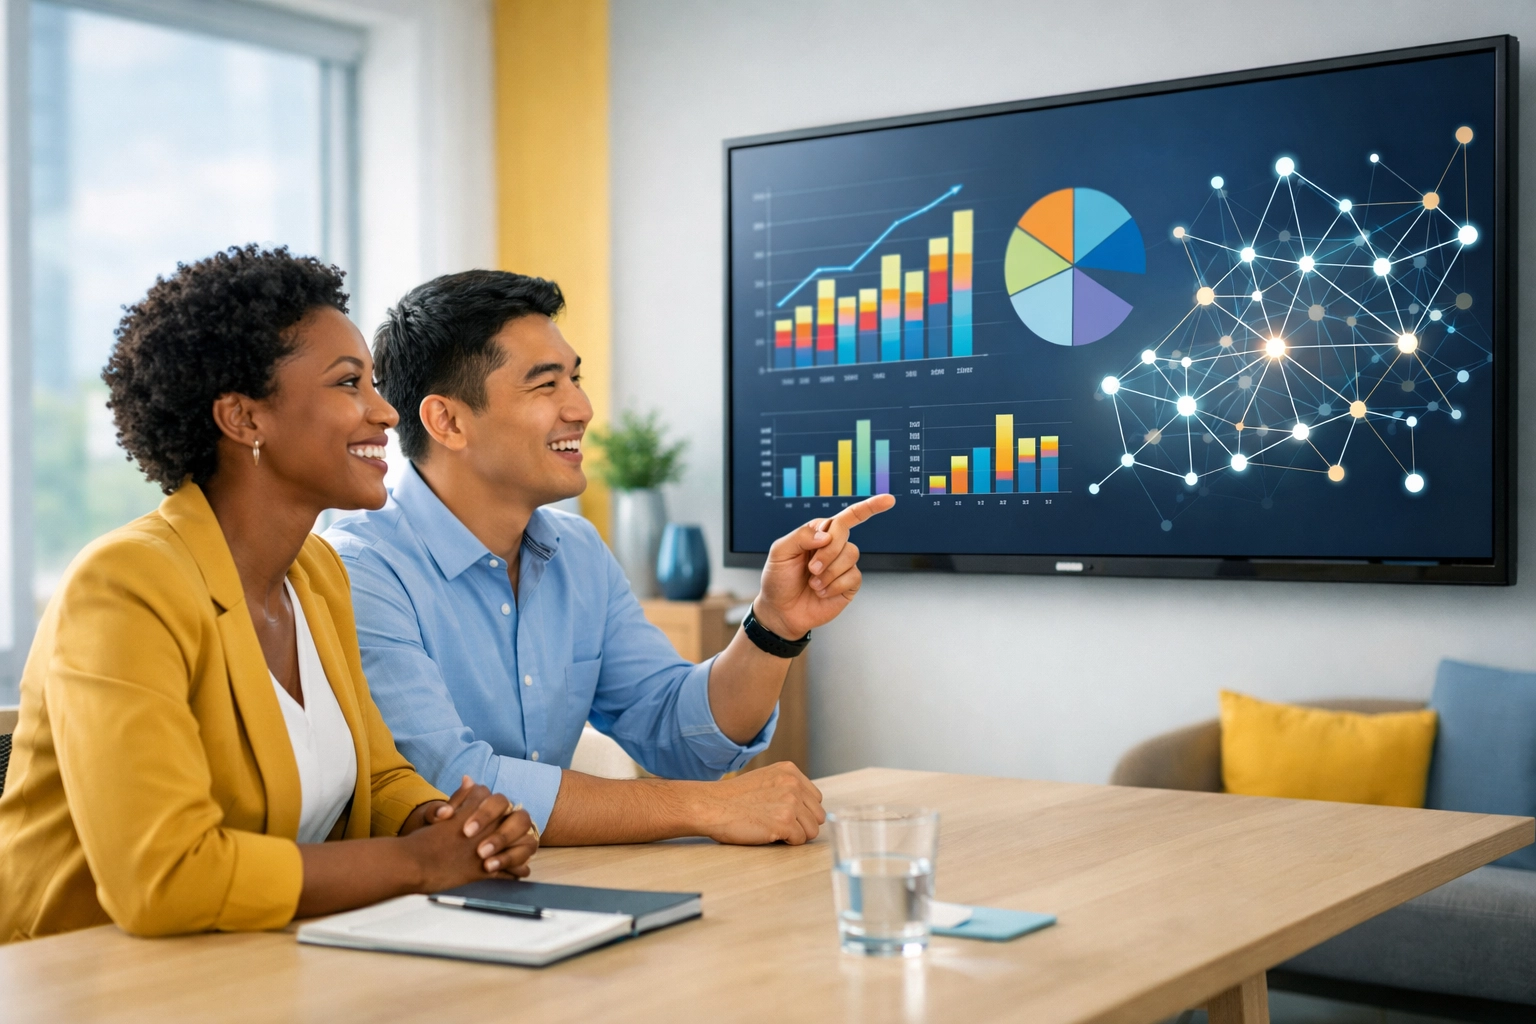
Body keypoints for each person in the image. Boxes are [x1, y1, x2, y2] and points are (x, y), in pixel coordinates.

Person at [0, 247, 538, 943]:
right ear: (244, 419)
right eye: (349, 385)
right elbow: (164, 879)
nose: (384, 412)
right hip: (91, 985)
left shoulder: (316, 574)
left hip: (262, 965)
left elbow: (378, 775)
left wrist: (452, 827)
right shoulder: (124, 587)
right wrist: (417, 864)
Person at [325, 270, 893, 847]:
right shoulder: (359, 571)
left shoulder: (578, 553)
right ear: (447, 421)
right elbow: (452, 788)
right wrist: (704, 807)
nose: (582, 407)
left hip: (550, 893)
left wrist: (774, 625)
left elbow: (681, 734)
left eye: (575, 378)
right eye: (546, 385)